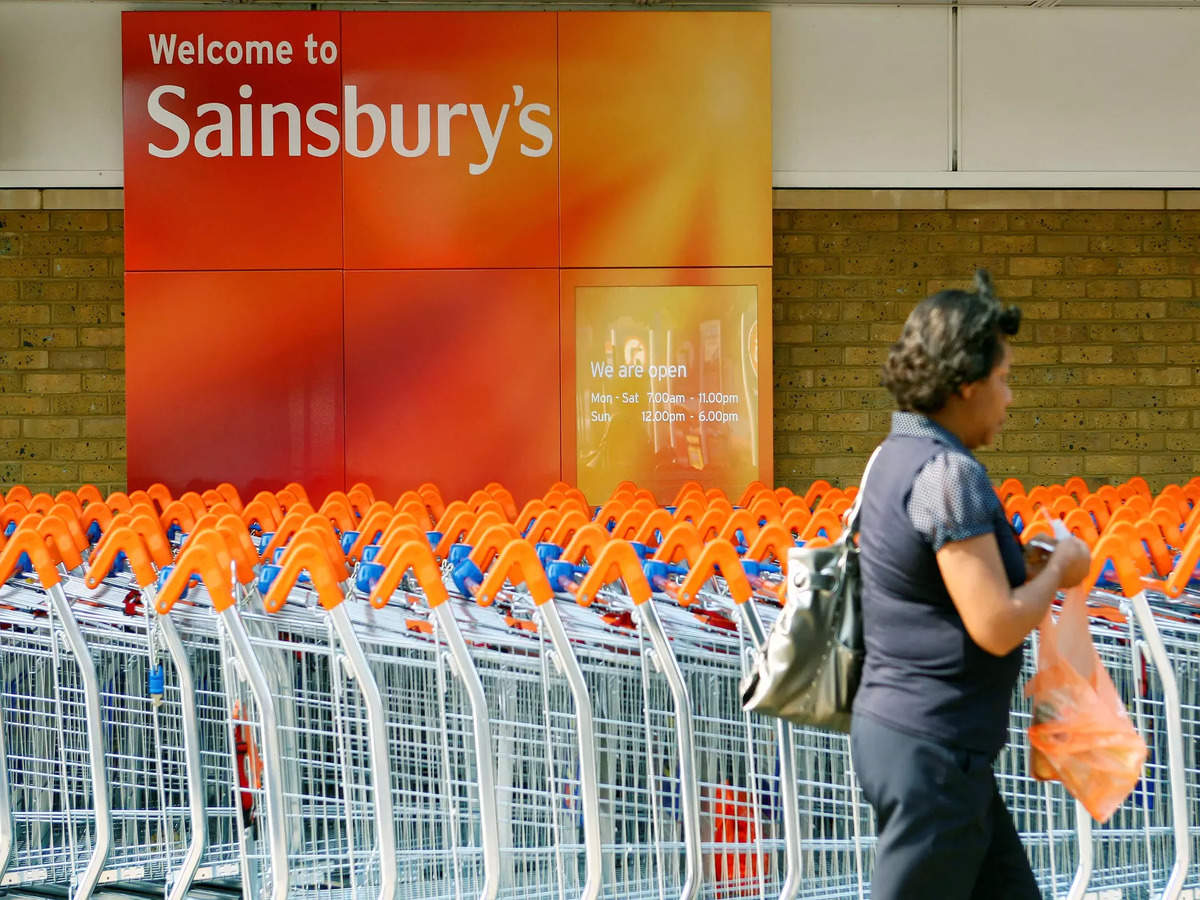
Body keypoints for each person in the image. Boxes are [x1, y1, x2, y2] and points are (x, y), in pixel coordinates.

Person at [852, 269, 1092, 899]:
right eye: (1004, 380)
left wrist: (1026, 568)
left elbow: (938, 581)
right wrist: (1062, 570)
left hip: (929, 747)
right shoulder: (947, 474)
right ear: (966, 386)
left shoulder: (893, 456)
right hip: (933, 752)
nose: (1010, 399)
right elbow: (994, 623)